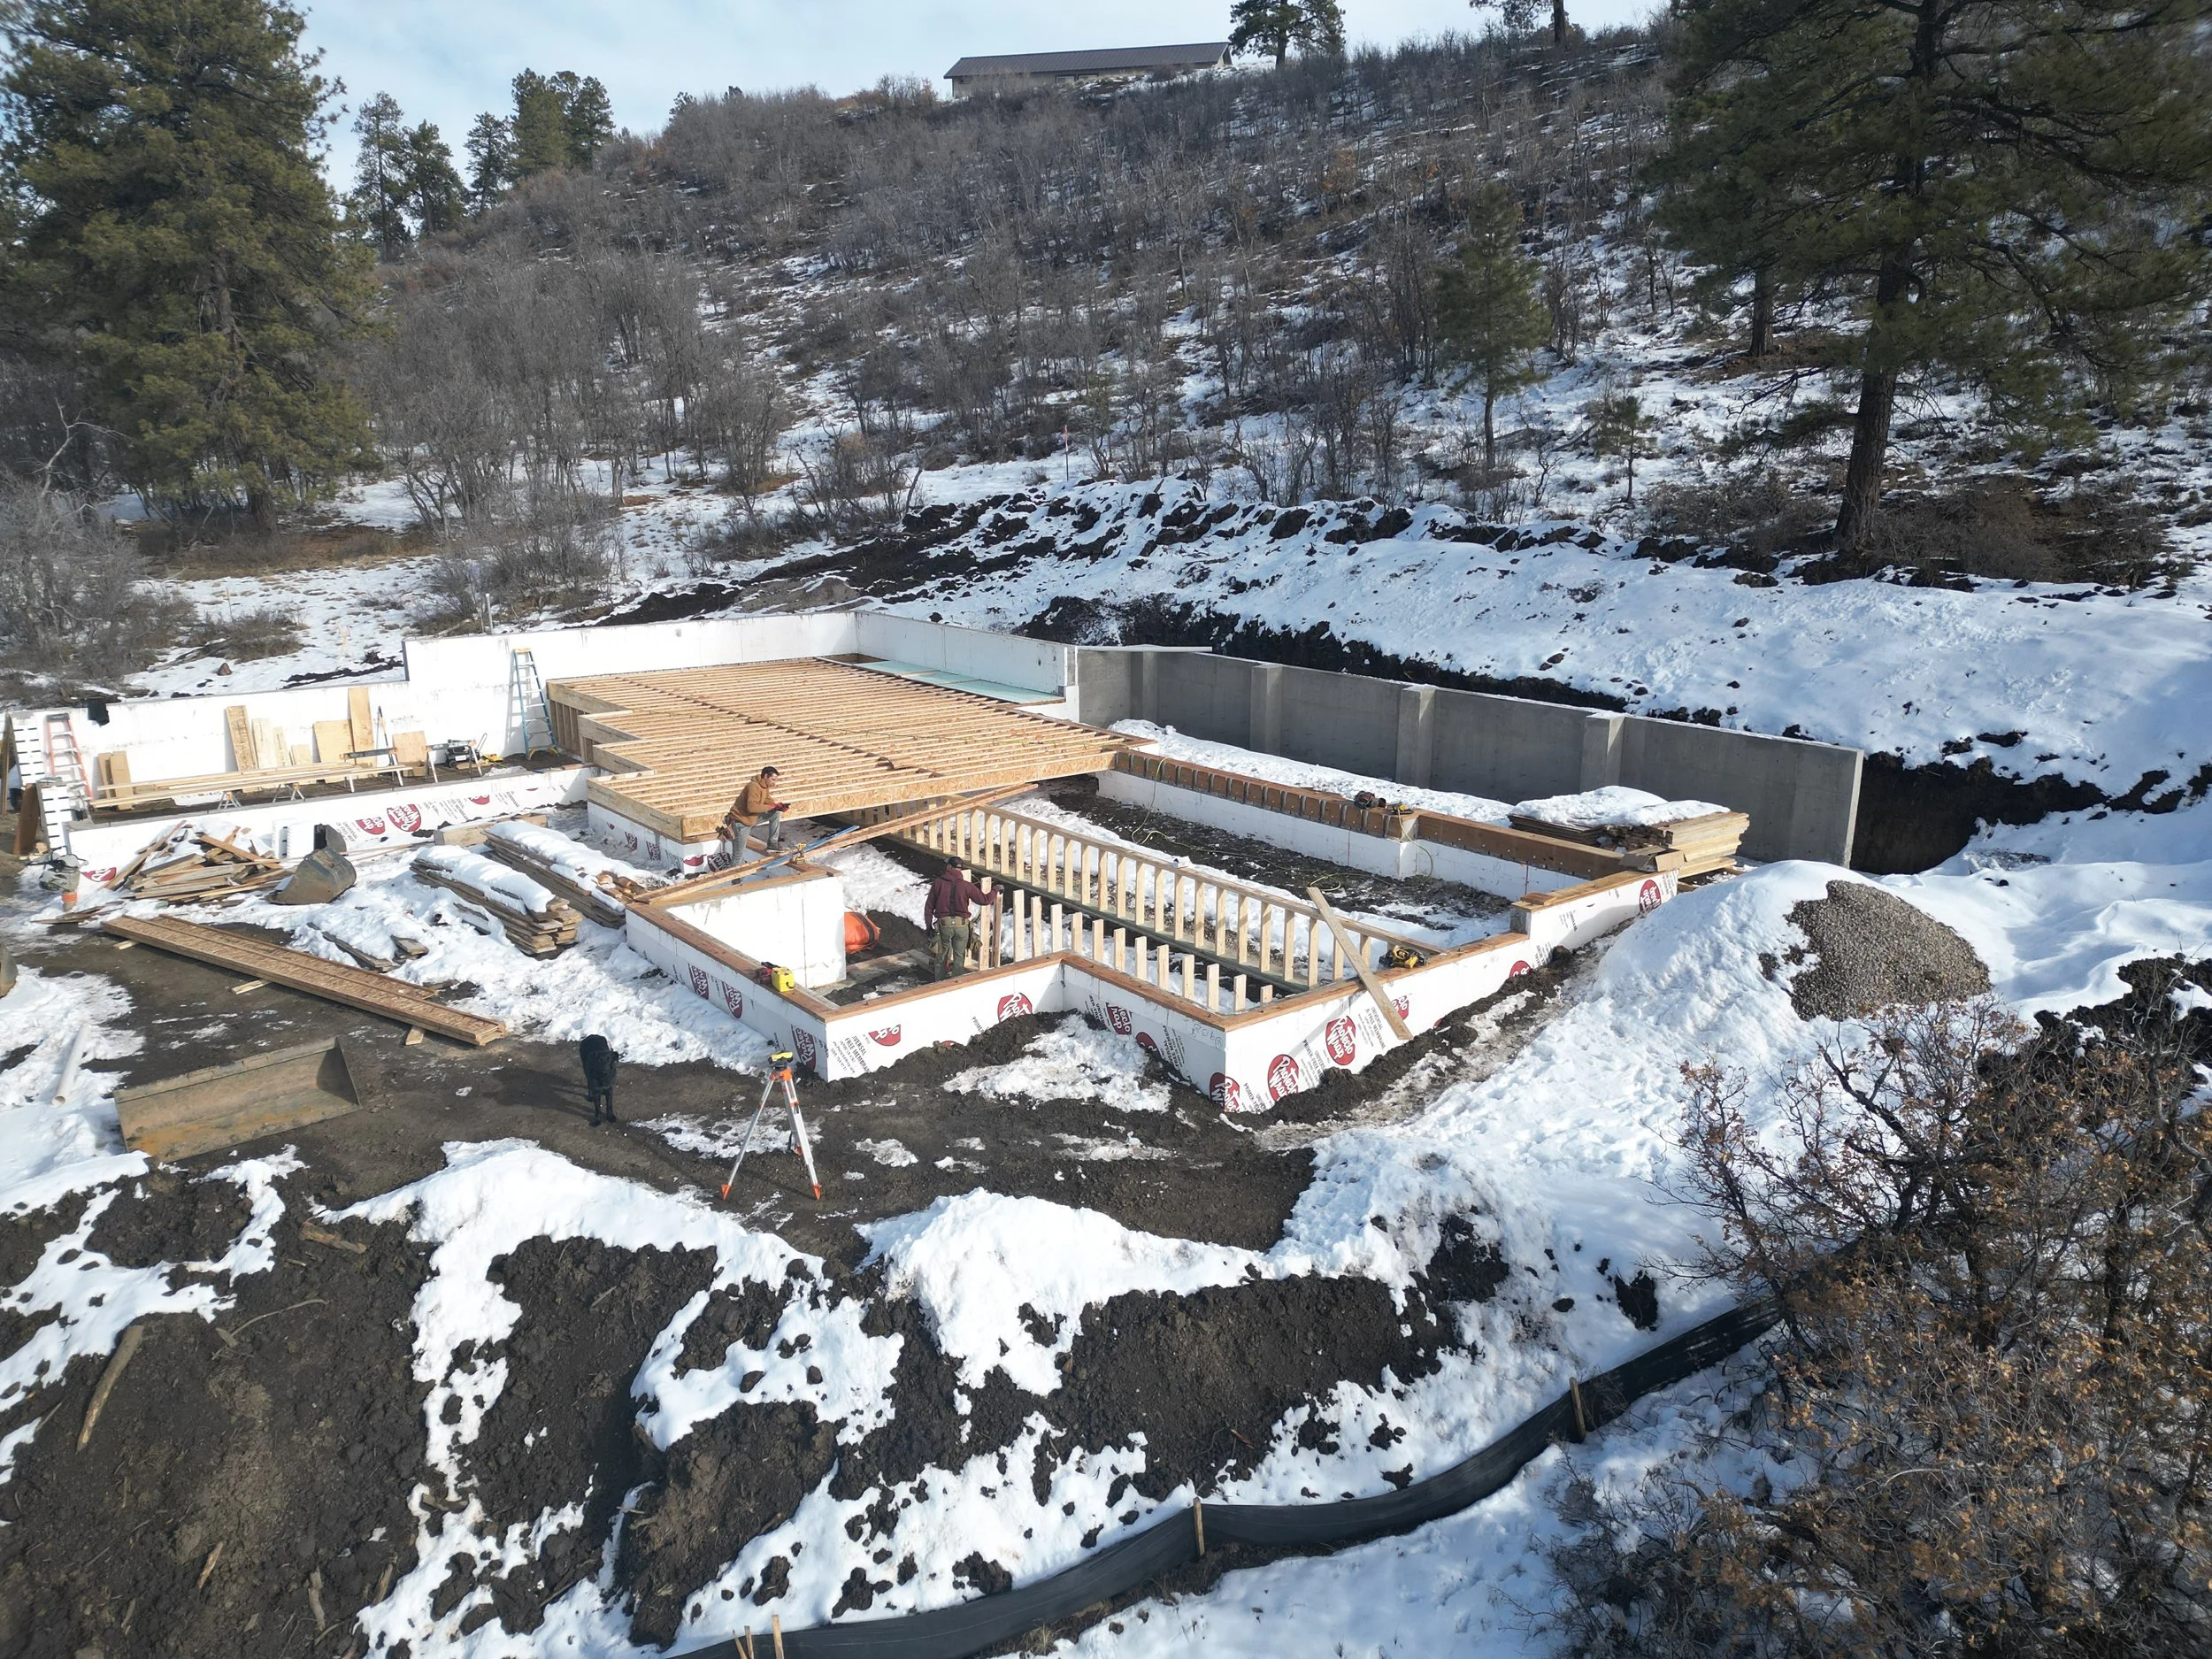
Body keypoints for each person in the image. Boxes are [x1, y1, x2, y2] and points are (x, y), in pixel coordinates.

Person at [924, 859, 995, 980]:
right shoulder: (966, 885)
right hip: (962, 927)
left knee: (941, 956)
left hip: (944, 926)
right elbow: (985, 900)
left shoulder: (938, 883)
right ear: (960, 869)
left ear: (948, 867)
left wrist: (928, 926)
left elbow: (929, 907)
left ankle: (939, 985)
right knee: (959, 957)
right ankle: (956, 984)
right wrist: (996, 889)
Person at [722, 764, 790, 859]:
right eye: (773, 780)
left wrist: (778, 807)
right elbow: (752, 808)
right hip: (740, 822)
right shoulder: (753, 787)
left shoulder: (764, 787)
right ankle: (729, 873)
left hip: (750, 819)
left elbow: (768, 802)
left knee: (776, 813)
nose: (774, 784)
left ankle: (772, 844)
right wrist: (772, 806)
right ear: (766, 776)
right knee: (737, 857)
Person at [580, 1033, 618, 1125]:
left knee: (608, 1089)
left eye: (608, 1060)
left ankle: (610, 1112)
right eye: (601, 1061)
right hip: (587, 1047)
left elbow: (609, 1091)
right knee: (595, 1091)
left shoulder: (612, 1070)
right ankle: (597, 1114)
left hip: (601, 1043)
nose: (605, 1064)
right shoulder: (592, 1061)